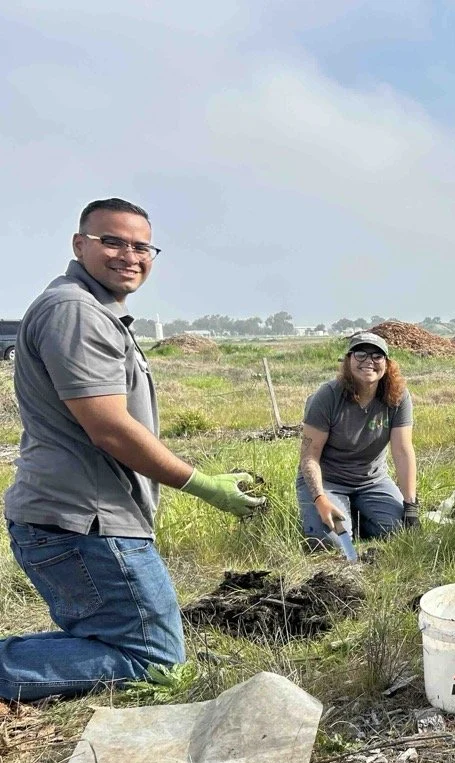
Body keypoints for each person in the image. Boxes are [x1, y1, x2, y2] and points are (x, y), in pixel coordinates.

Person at [1, 198, 264, 703]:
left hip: (88, 517)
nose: (129, 256)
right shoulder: (75, 311)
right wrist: (203, 485)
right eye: (113, 242)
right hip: (84, 522)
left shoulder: (96, 310)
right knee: (152, 661)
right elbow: (111, 429)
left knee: (127, 645)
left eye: (142, 247)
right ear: (80, 245)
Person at [297, 332, 416, 559]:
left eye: (377, 356)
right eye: (361, 354)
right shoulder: (327, 396)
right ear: (348, 360)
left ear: (387, 364)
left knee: (400, 533)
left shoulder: (398, 397)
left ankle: (355, 513)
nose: (369, 361)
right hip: (329, 481)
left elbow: (403, 451)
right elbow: (309, 456)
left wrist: (411, 506)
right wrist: (320, 499)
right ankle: (328, 512)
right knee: (332, 545)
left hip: (372, 480)